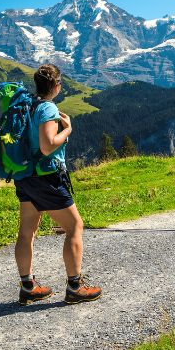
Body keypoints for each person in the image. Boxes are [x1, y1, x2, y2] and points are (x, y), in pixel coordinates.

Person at [14, 63, 102, 305]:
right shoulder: (47, 109)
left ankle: (28, 286)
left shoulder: (27, 105)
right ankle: (75, 286)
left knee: (27, 231)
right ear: (55, 85)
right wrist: (68, 130)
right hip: (47, 177)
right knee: (75, 226)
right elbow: (47, 145)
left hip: (25, 176)